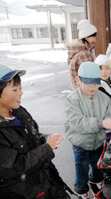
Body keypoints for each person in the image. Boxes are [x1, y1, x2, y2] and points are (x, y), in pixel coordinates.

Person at [0, 64, 71, 198]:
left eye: (20, 88)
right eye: (15, 89)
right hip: (23, 192)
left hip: (45, 183)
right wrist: (47, 148)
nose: (21, 93)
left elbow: (31, 136)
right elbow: (16, 167)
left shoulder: (18, 111)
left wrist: (46, 138)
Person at [65, 62, 111, 199]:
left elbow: (110, 114)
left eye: (96, 84)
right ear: (78, 80)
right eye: (88, 84)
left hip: (98, 142)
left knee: (98, 169)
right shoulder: (72, 100)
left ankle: (96, 188)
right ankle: (82, 193)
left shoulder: (103, 97)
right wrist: (102, 123)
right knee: (81, 173)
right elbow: (78, 123)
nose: (93, 87)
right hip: (81, 144)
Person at [67, 19, 97, 89]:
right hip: (84, 87)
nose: (94, 40)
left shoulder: (78, 49)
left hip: (78, 86)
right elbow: (89, 74)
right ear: (86, 37)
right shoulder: (83, 53)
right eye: (93, 37)